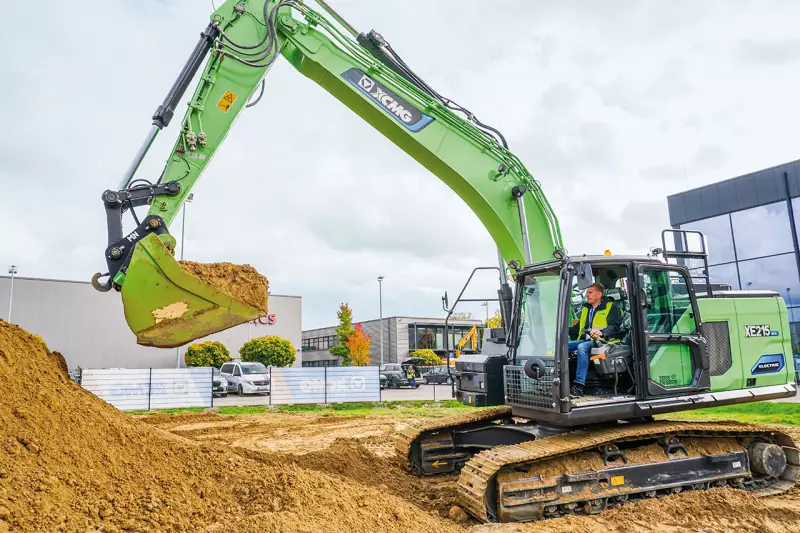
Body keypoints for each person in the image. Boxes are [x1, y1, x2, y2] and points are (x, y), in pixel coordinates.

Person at [568, 282, 622, 398]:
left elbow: (614, 326)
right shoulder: (586, 309)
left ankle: (578, 386)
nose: (587, 295)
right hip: (586, 340)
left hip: (604, 341)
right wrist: (561, 331)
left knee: (582, 348)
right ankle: (564, 382)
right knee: (562, 346)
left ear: (599, 294)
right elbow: (578, 328)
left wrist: (602, 332)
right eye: (587, 293)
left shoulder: (611, 307)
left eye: (590, 292)